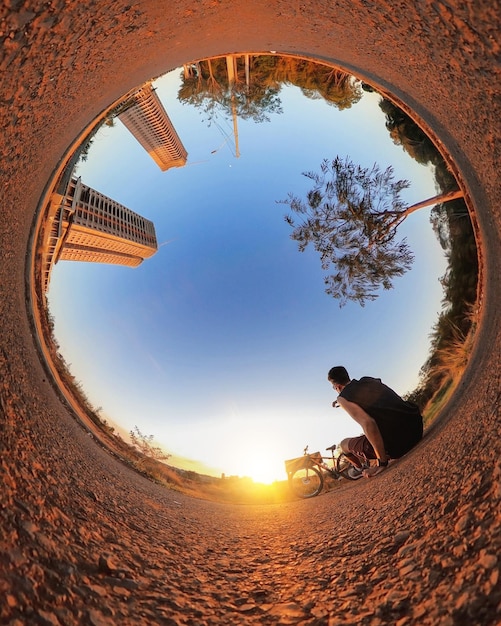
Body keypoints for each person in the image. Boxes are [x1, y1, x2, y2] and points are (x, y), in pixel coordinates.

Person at [328, 366, 423, 478]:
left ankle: (358, 468)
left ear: (337, 387)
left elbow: (368, 423)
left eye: (334, 388)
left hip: (400, 444)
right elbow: (364, 394)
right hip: (416, 427)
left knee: (343, 444)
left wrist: (381, 463)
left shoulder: (342, 398)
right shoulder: (368, 380)